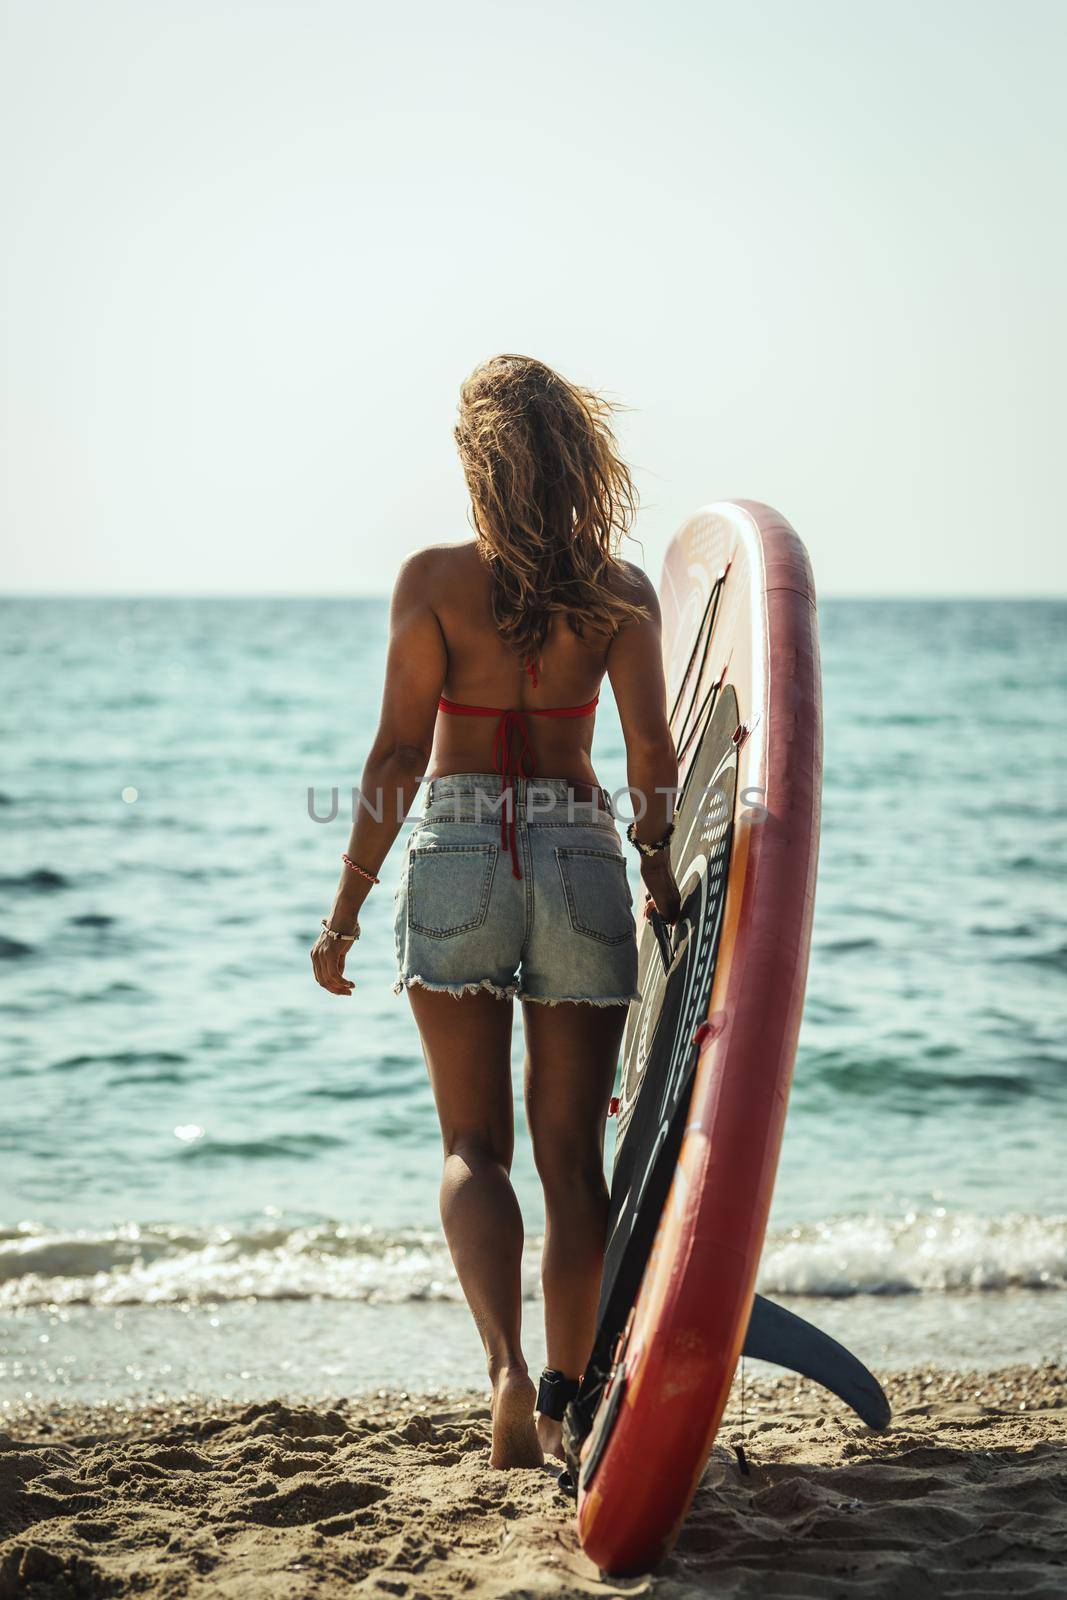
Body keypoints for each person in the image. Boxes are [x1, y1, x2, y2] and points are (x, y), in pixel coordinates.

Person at [311, 354, 681, 1468]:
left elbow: (390, 756)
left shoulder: (430, 581)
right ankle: (571, 1401)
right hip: (576, 848)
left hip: (458, 846)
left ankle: (507, 1374)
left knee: (474, 1145)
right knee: (573, 1158)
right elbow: (651, 757)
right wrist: (658, 870)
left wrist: (343, 913)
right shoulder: (617, 591)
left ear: (478, 463)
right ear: (574, 460)